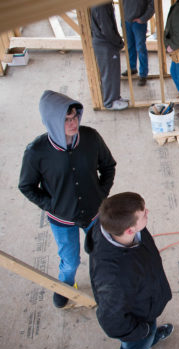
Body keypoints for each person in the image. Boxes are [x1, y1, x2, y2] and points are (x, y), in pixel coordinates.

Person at [18, 90, 116, 308]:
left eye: (74, 117)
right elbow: (26, 186)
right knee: (70, 261)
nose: (73, 124)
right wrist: (51, 206)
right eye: (66, 119)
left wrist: (102, 194)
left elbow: (108, 166)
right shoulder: (36, 152)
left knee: (100, 253)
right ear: (52, 121)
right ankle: (65, 286)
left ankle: (104, 285)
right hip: (62, 220)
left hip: (94, 214)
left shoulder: (91, 137)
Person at [86, 192, 173, 349]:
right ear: (129, 231)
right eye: (144, 215)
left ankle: (150, 339)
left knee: (148, 334)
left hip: (146, 303)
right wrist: (141, 331)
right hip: (137, 320)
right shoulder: (113, 279)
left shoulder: (116, 228)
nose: (147, 212)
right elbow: (112, 322)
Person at [91, 2, 129, 110]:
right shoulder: (101, 5)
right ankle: (109, 102)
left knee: (113, 72)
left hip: (106, 43)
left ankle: (115, 97)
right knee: (109, 74)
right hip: (105, 44)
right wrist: (118, 42)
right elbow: (107, 29)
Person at [121, 0, 154, 86]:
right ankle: (132, 68)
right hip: (126, 21)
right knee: (129, 46)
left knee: (140, 48)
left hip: (138, 23)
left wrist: (143, 19)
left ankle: (143, 74)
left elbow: (153, 5)